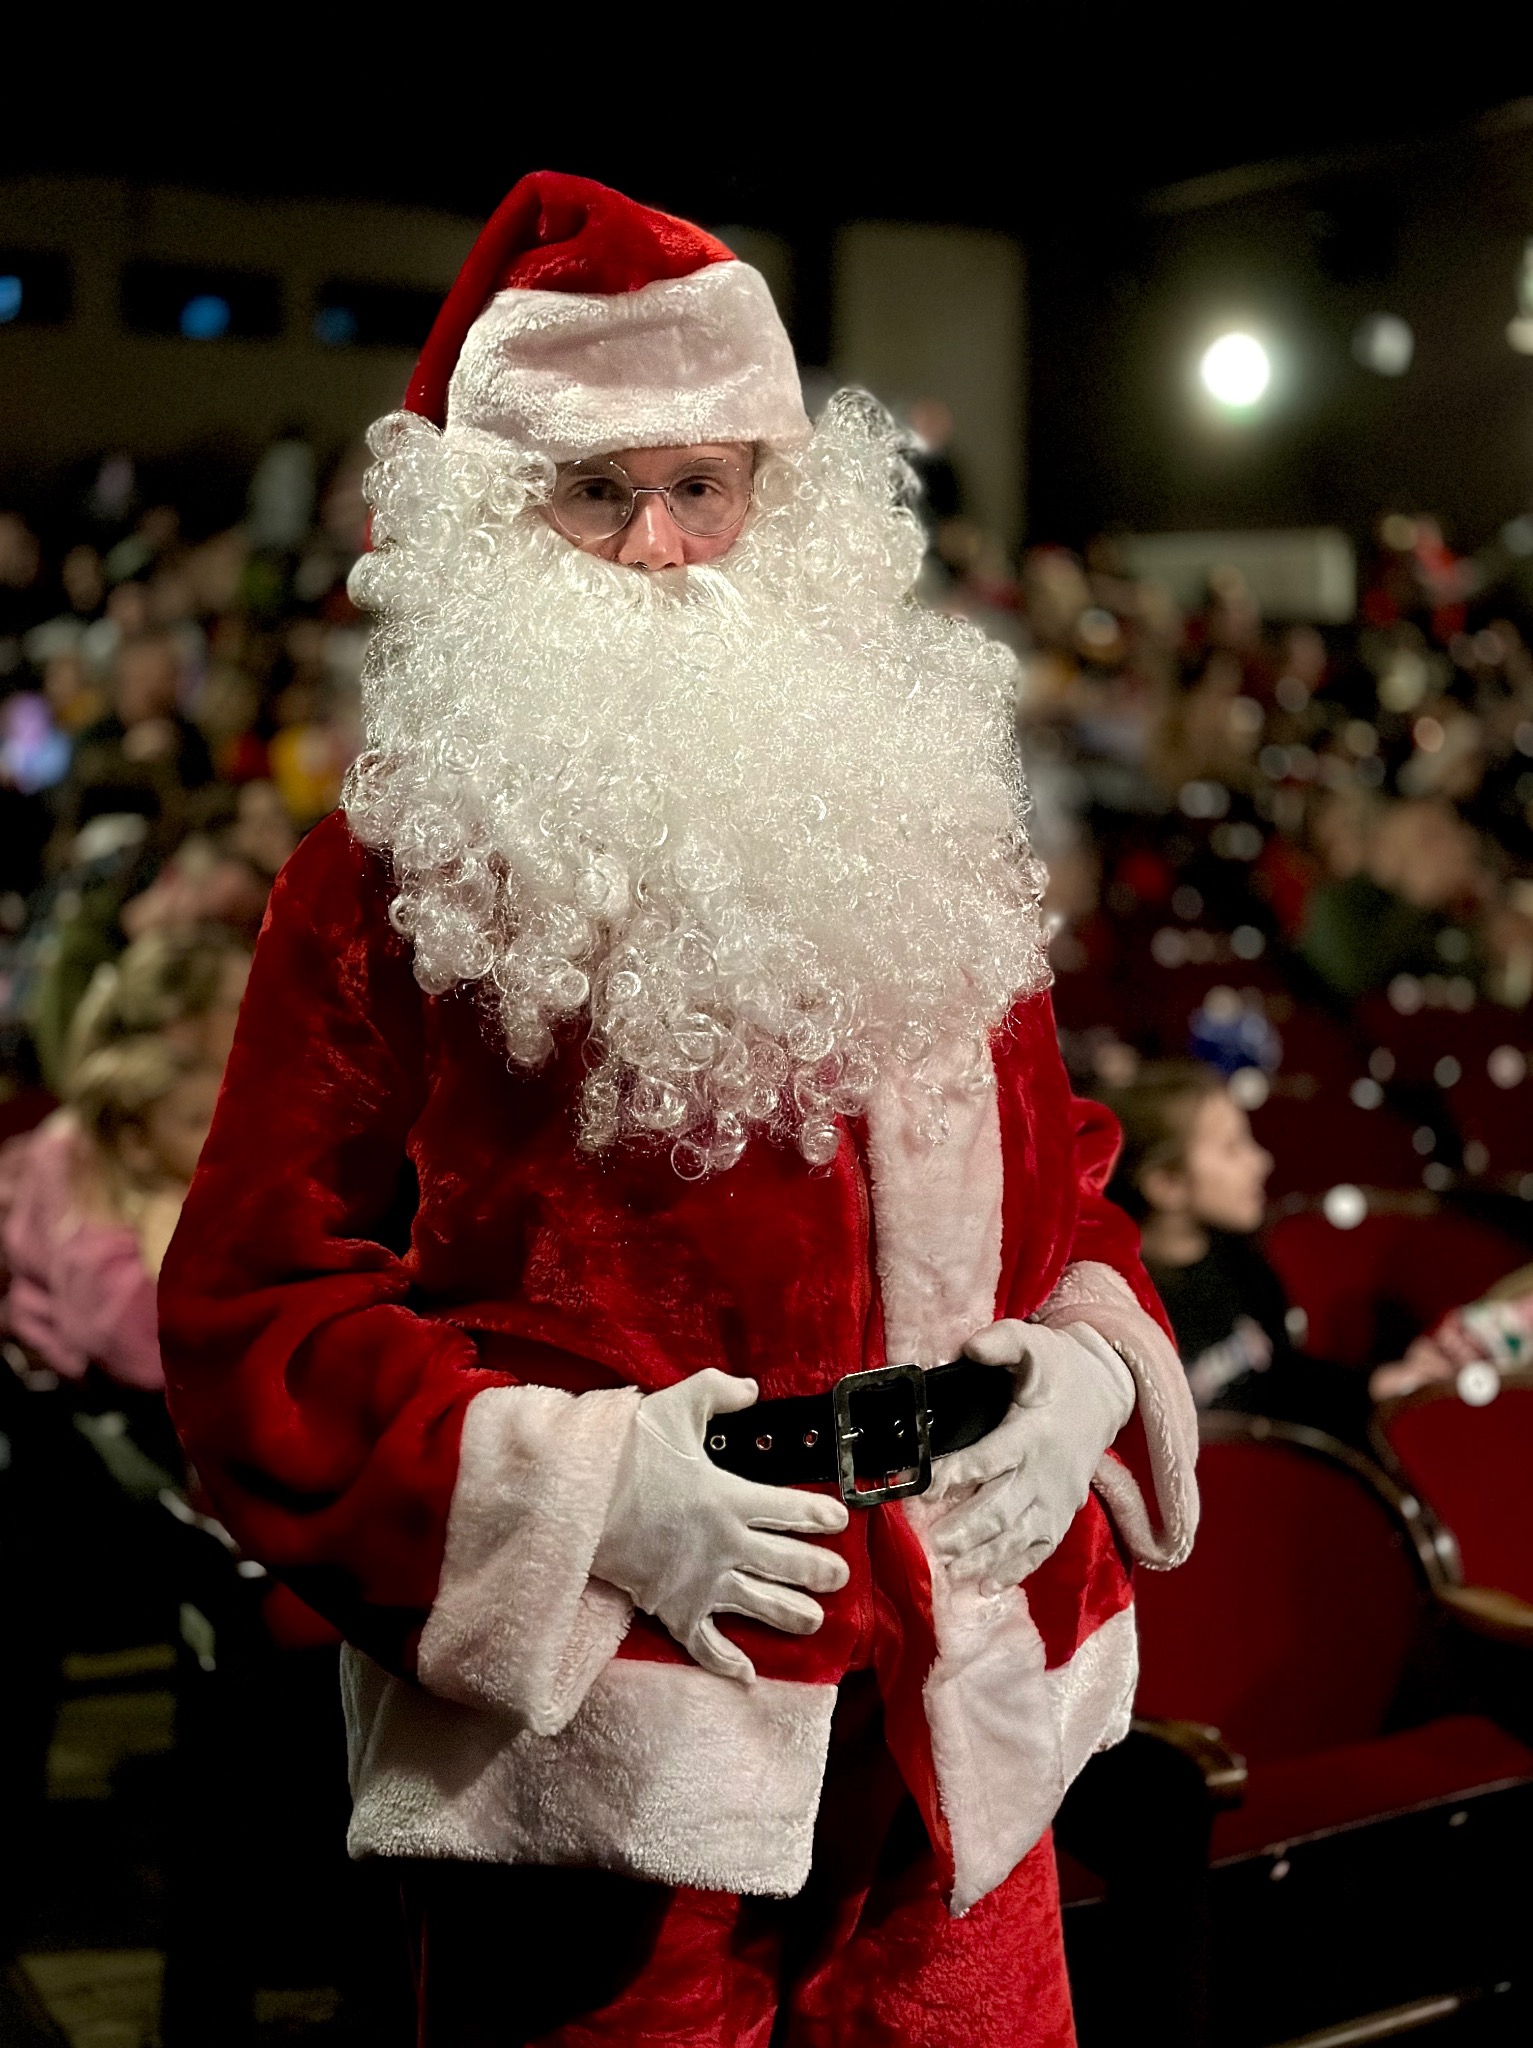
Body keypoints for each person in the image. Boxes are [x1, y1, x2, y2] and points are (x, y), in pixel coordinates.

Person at [160, 172, 1198, 2048]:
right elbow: (256, 1322)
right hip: (606, 1758)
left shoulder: (915, 825)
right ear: (495, 521)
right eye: (594, 489)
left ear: (777, 503)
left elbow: (1067, 1195)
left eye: (703, 486)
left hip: (957, 1721)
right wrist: (588, 1503)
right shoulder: (376, 888)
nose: (658, 548)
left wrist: (1085, 1375)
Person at [1102, 1062, 1365, 1437]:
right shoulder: (1117, 1304)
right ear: (1167, 1183)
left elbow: (1285, 1377)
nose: (1262, 1162)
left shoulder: (1238, 1255)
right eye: (1232, 1148)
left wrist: (1375, 1386)